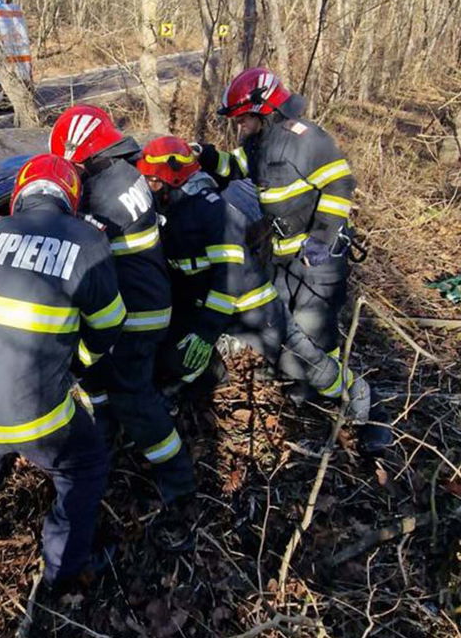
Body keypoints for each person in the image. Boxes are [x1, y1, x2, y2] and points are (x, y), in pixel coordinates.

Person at [0, 153, 122, 594]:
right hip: (28, 412)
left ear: (19, 196)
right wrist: (80, 362)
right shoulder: (87, 242)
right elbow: (110, 322)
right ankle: (62, 570)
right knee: (86, 464)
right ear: (72, 199)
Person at [142, 135, 375, 448]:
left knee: (299, 362)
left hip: (252, 308)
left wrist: (205, 331)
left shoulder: (213, 212)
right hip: (207, 304)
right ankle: (191, 386)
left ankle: (352, 389)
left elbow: (230, 277)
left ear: (172, 179)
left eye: (153, 181)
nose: (148, 187)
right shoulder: (172, 211)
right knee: (175, 354)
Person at [199, 67, 385, 449]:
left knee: (314, 324)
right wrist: (202, 157)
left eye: (244, 118)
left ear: (265, 111)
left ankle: (345, 395)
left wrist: (321, 237)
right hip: (284, 253)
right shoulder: (260, 143)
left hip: (319, 256)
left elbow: (340, 182)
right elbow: (235, 167)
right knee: (285, 314)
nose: (240, 126)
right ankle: (308, 378)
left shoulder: (307, 139)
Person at [50, 105, 193, 545]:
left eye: (73, 163)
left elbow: (73, 249)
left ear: (82, 152)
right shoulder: (123, 173)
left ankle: (179, 485)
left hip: (136, 314)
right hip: (146, 298)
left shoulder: (101, 198)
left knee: (135, 398)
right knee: (101, 382)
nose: (73, 171)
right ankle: (108, 449)